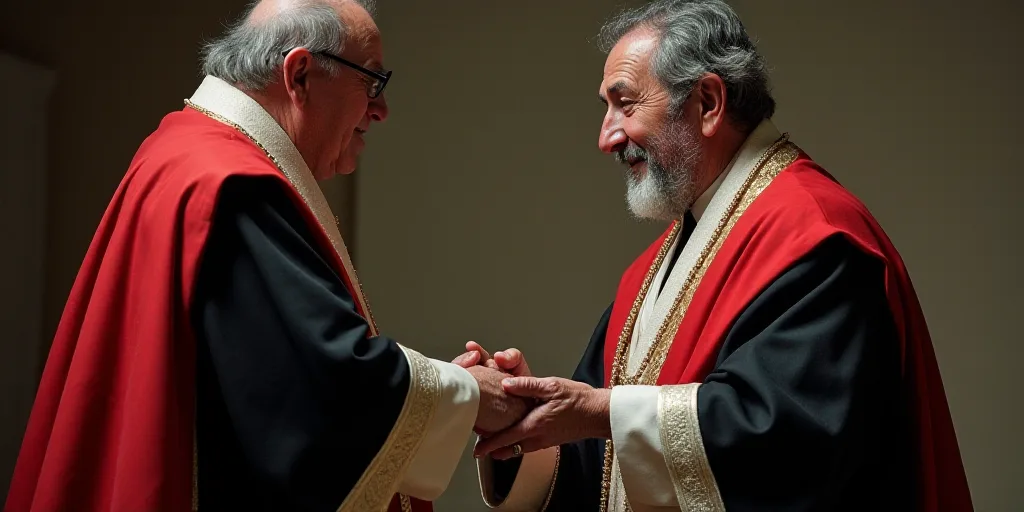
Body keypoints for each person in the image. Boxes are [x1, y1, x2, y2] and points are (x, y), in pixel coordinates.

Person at [4, 1, 527, 511]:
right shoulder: (233, 184)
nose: (380, 109)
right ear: (299, 74)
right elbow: (317, 389)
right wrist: (467, 393)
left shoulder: (184, 151)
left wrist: (445, 391)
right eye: (371, 81)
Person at [458, 1, 973, 511]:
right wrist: (524, 417)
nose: (606, 137)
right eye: (605, 108)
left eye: (626, 104)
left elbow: (791, 447)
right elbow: (606, 465)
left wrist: (600, 411)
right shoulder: (651, 272)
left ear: (707, 102)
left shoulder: (817, 237)